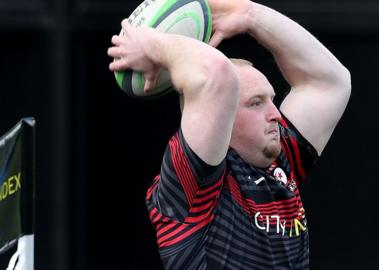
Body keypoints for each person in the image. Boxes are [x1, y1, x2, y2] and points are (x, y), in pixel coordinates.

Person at [107, 0, 351, 268]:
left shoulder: (280, 162)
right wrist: (152, 45)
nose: (275, 114)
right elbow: (216, 75)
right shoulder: (192, 183)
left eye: (271, 100)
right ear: (220, 114)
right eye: (256, 103)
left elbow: (330, 82)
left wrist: (249, 14)